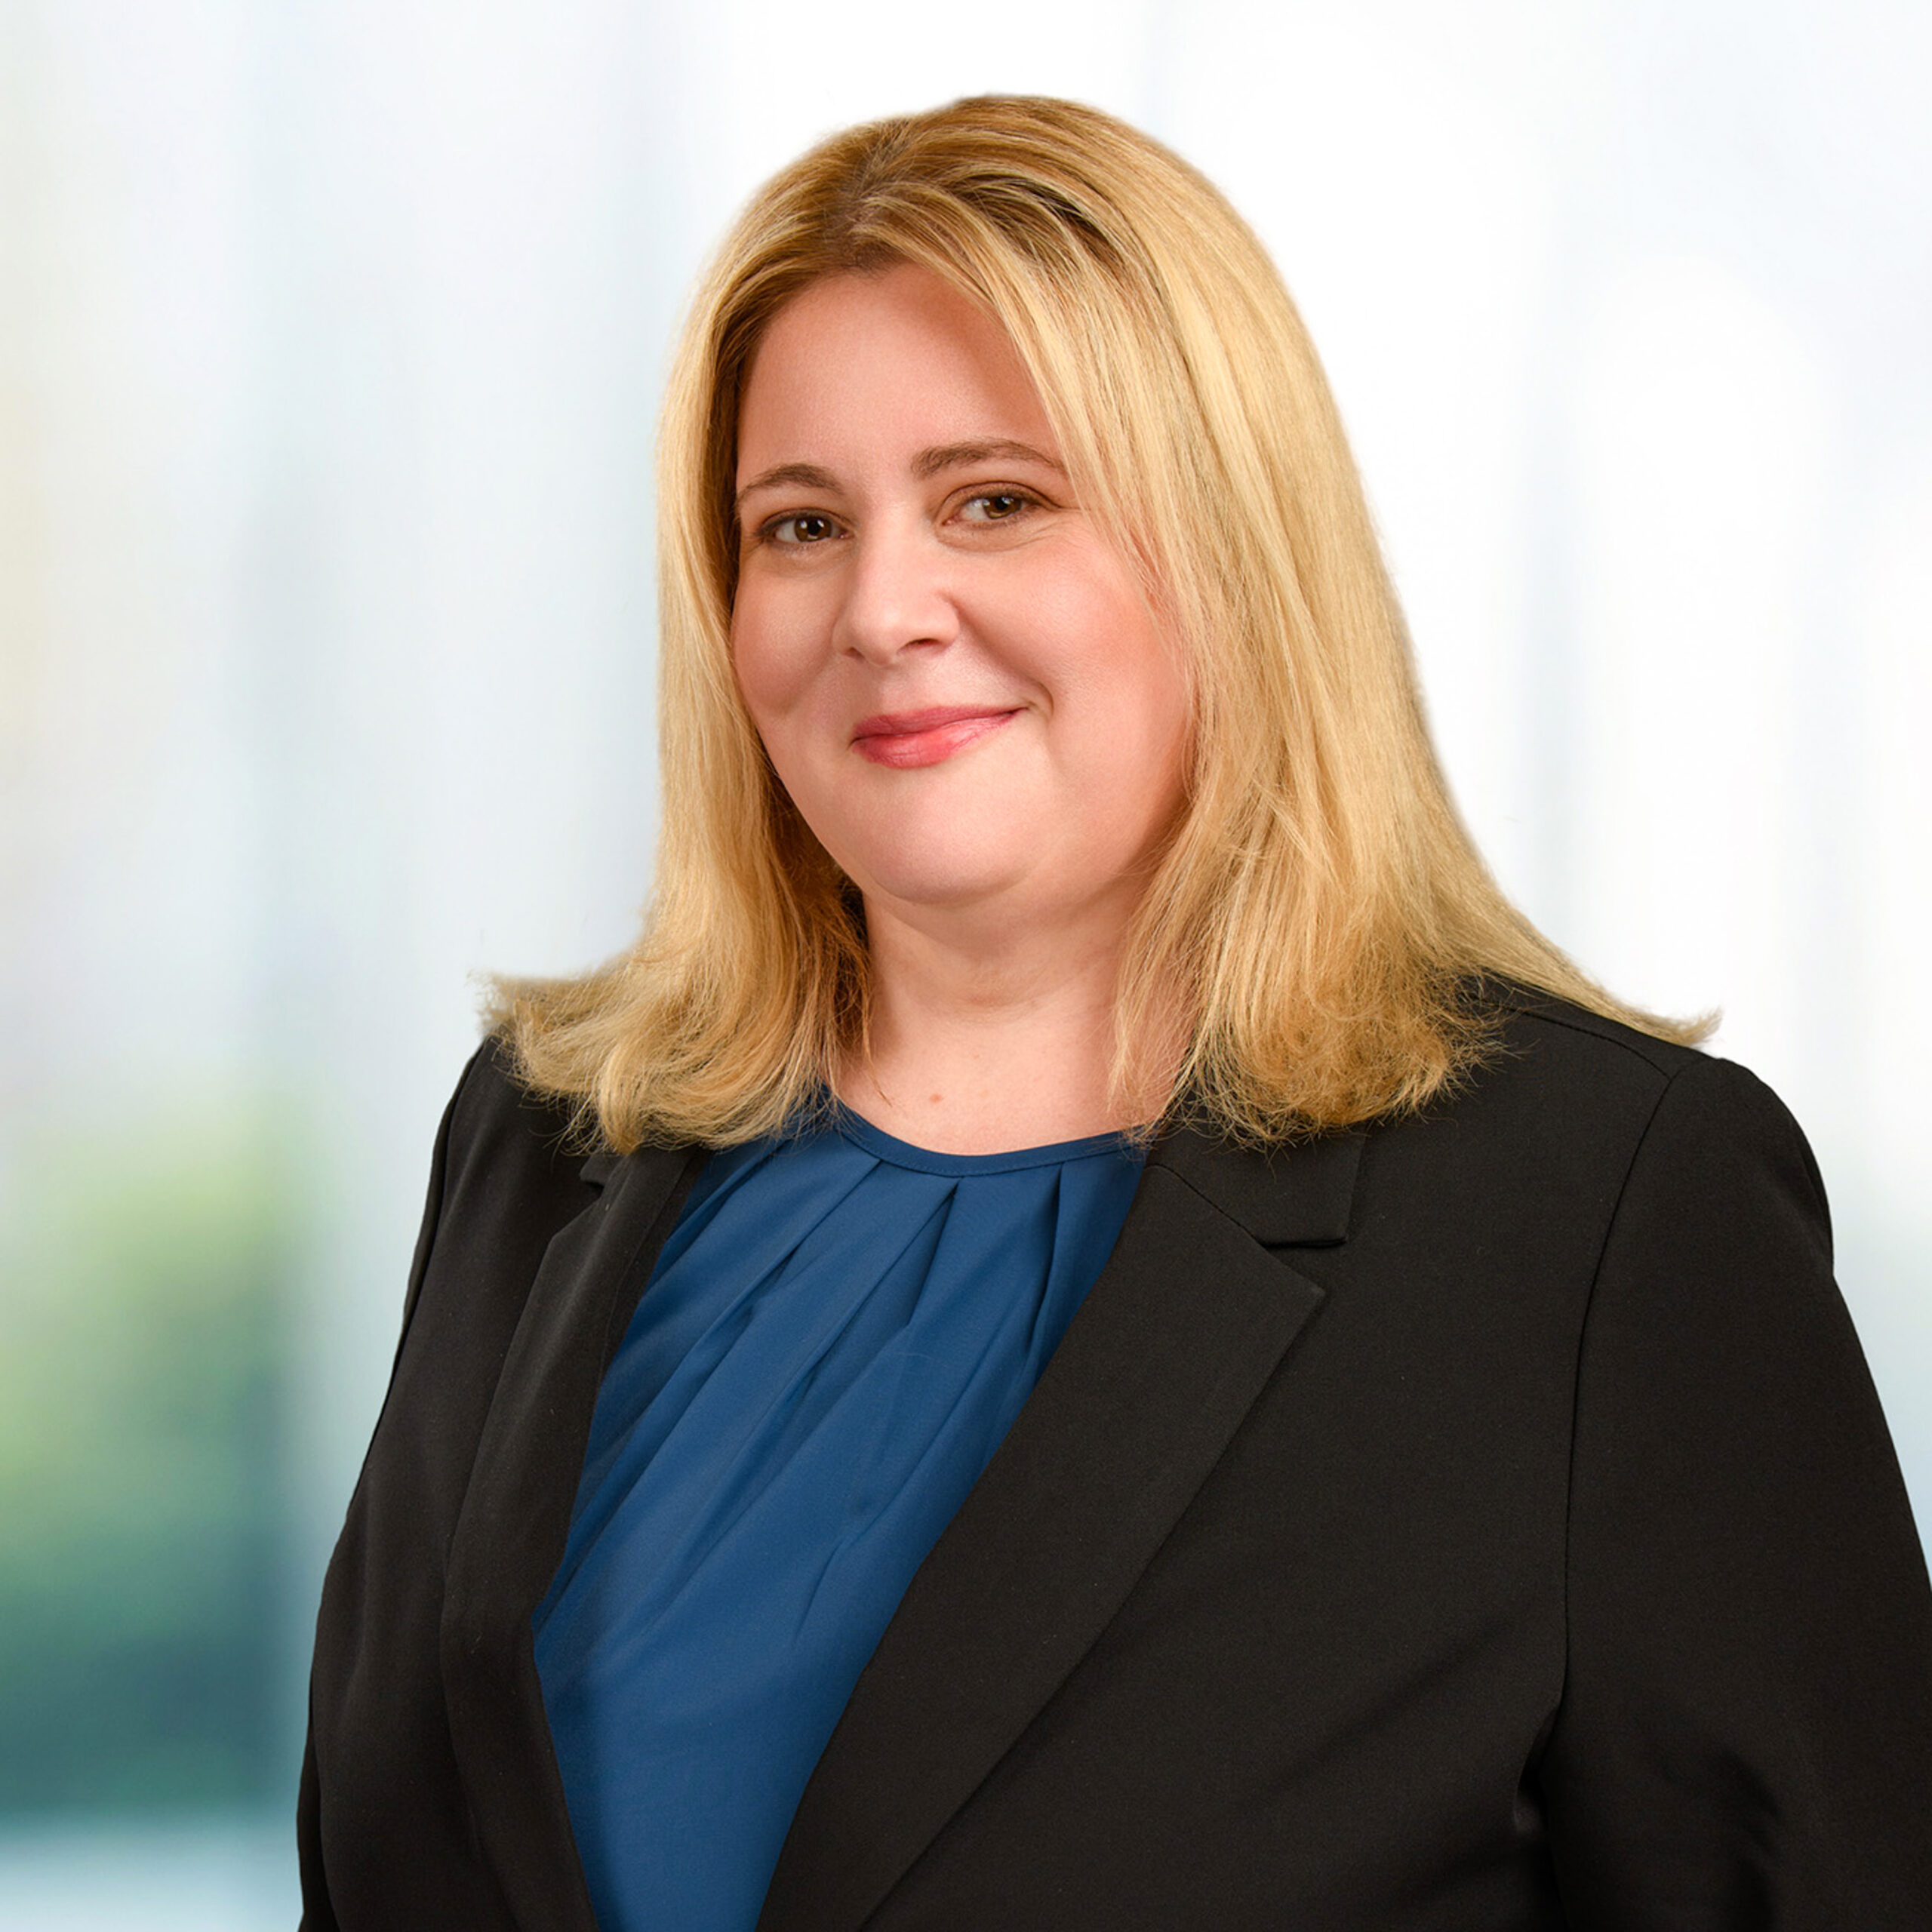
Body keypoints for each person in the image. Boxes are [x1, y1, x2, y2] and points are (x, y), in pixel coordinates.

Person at [297, 96, 1932, 1930]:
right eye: (798, 524)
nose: (881, 607)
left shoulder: (1605, 1217)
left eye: (995, 499)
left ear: (1229, 554)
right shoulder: (539, 1140)